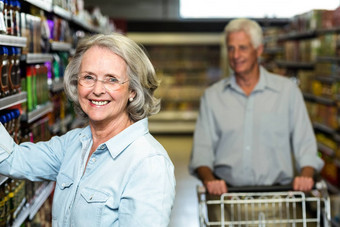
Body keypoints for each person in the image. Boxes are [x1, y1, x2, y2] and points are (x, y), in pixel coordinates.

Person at [0, 33, 176, 226]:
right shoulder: (74, 143)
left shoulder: (148, 163)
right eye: (88, 77)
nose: (97, 90)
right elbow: (12, 160)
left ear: (133, 90)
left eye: (111, 79)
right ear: (77, 84)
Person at [189, 18, 324, 196]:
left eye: (243, 48)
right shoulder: (213, 96)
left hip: (278, 199)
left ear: (259, 49)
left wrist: (306, 176)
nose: (236, 55)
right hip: (225, 199)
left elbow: (305, 144)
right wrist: (209, 180)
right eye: (231, 48)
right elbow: (202, 151)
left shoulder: (287, 92)